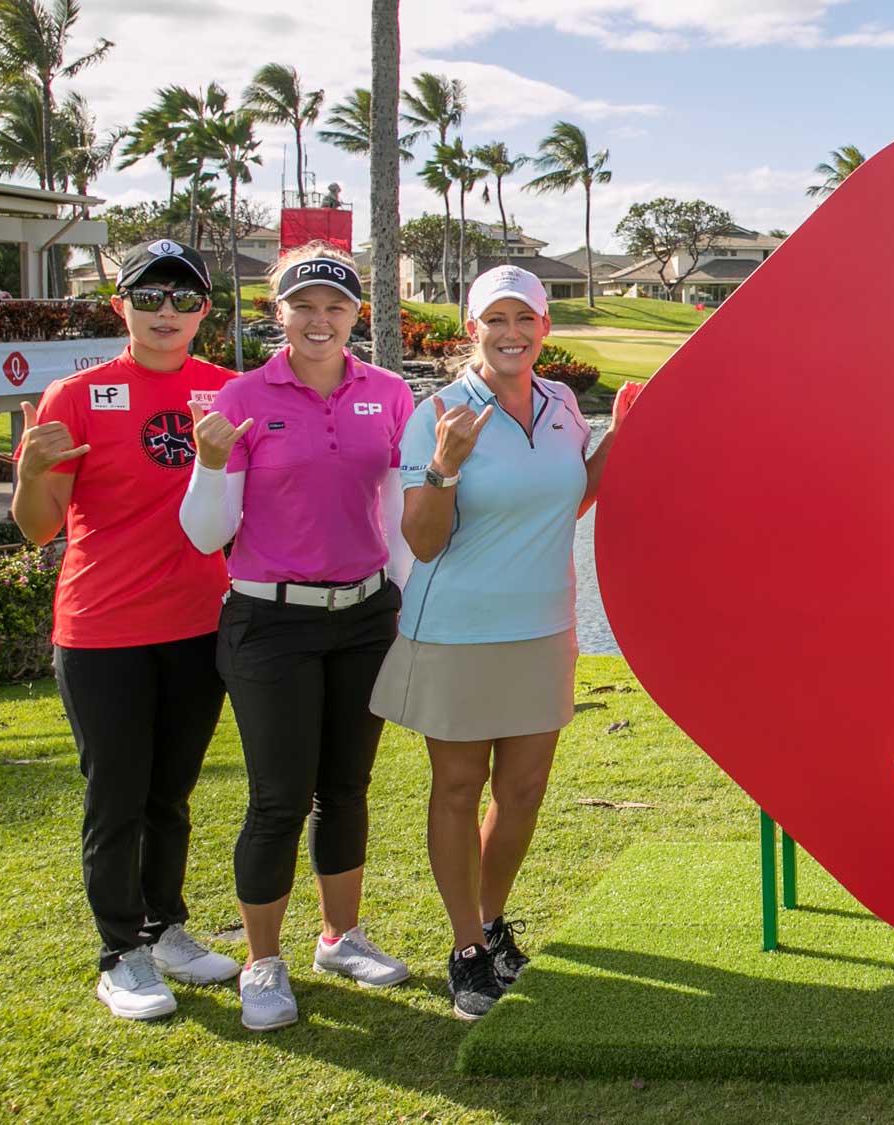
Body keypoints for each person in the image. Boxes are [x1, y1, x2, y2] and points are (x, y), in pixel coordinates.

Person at [369, 265, 631, 1020]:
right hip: (456, 631)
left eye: (525, 319)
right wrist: (446, 466)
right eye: (496, 320)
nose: (511, 333)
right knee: (457, 788)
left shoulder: (562, 406)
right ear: (472, 329)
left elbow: (565, 498)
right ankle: (465, 951)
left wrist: (618, 442)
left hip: (543, 626)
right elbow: (423, 537)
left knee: (521, 793)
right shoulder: (440, 411)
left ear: (544, 328)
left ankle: (489, 921)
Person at [178, 246, 417, 1031]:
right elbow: (208, 530)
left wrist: (403, 598)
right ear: (276, 312)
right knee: (278, 797)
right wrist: (210, 464)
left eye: (336, 307)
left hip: (363, 616)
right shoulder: (241, 397)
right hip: (269, 618)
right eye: (303, 306)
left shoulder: (387, 394)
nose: (320, 321)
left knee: (345, 786)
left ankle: (339, 936)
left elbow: (395, 512)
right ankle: (262, 961)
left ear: (357, 315)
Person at [12, 239, 242, 1020]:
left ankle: (165, 923)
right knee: (116, 793)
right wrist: (29, 473)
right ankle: (121, 952)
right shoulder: (75, 397)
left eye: (183, 298)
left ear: (205, 310)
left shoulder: (227, 391)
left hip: (198, 624)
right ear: (122, 305)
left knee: (170, 790)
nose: (166, 312)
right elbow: (38, 529)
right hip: (102, 627)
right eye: (148, 297)